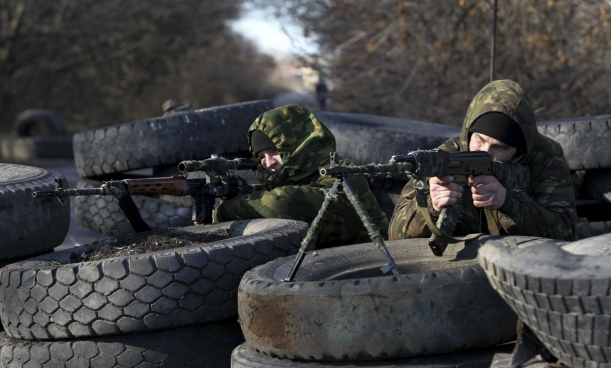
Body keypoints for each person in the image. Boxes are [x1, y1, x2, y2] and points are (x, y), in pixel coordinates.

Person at [388, 79, 577, 241]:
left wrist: (508, 202)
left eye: (500, 147)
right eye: (479, 140)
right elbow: (395, 236)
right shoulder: (445, 157)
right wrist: (431, 207)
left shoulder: (545, 157)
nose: (486, 152)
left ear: (519, 150)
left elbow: (565, 235)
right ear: (469, 133)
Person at [214, 103, 389, 248]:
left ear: (299, 145)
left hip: (378, 265)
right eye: (261, 157)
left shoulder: (344, 173)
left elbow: (283, 203)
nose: (268, 163)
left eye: (274, 151)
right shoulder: (292, 179)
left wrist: (223, 211)